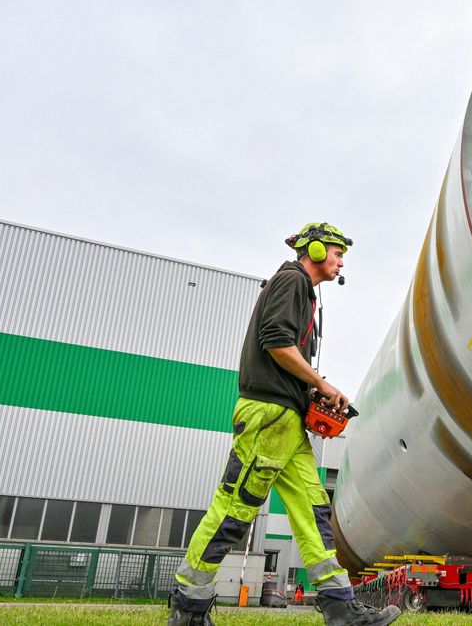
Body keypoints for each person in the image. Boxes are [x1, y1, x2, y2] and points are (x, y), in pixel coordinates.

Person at [168, 223, 400, 626]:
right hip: (267, 416)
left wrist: (312, 395)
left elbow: (284, 354)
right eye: (337, 252)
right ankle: (188, 607)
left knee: (313, 511)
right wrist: (320, 382)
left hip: (287, 421)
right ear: (313, 248)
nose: (341, 261)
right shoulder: (291, 281)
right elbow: (275, 341)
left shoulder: (303, 292)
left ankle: (340, 607)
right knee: (234, 511)